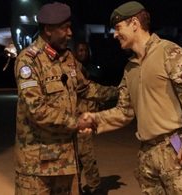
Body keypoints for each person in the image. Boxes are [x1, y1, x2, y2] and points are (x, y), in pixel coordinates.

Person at [77, 1, 182, 195]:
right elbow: (124, 111)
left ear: (135, 24)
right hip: (147, 154)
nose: (114, 34)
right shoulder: (130, 69)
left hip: (174, 148)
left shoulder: (169, 53)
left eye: (118, 28)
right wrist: (95, 119)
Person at [14, 2, 117, 195]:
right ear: (48, 30)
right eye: (65, 28)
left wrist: (121, 92)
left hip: (66, 161)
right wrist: (75, 122)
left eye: (69, 27)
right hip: (37, 166)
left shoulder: (67, 59)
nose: (70, 33)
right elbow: (36, 109)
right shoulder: (28, 62)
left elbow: (86, 88)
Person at [73, 41, 109, 195]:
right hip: (79, 118)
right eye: (80, 51)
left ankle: (77, 187)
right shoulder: (73, 70)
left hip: (88, 116)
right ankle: (94, 188)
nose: (83, 53)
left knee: (81, 157)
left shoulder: (89, 69)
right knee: (86, 156)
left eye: (85, 51)